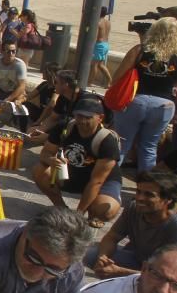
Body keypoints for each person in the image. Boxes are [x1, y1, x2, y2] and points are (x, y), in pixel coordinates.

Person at [112, 17, 177, 172]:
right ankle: (145, 188)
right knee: (149, 148)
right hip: (163, 105)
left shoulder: (140, 50)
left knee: (121, 144)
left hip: (135, 101)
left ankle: (107, 184)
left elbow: (117, 77)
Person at [32, 97, 122, 227]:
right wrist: (51, 160)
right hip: (74, 173)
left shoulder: (107, 141)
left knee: (105, 210)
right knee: (39, 170)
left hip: (102, 181)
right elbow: (45, 153)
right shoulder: (65, 127)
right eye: (79, 116)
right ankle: (61, 208)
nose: (82, 121)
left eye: (88, 117)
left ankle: (92, 212)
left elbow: (97, 182)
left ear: (100, 118)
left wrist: (78, 215)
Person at [86, 169, 177, 278]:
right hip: (138, 261)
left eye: (149, 195)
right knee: (90, 254)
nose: (139, 198)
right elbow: (112, 237)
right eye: (138, 191)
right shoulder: (134, 208)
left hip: (163, 275)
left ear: (168, 200)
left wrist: (120, 272)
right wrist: (102, 258)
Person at [92, 6, 113, 86]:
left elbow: (95, 35)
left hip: (99, 45)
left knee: (95, 64)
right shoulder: (108, 22)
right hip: (106, 44)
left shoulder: (98, 22)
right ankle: (109, 81)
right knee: (100, 65)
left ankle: (90, 82)